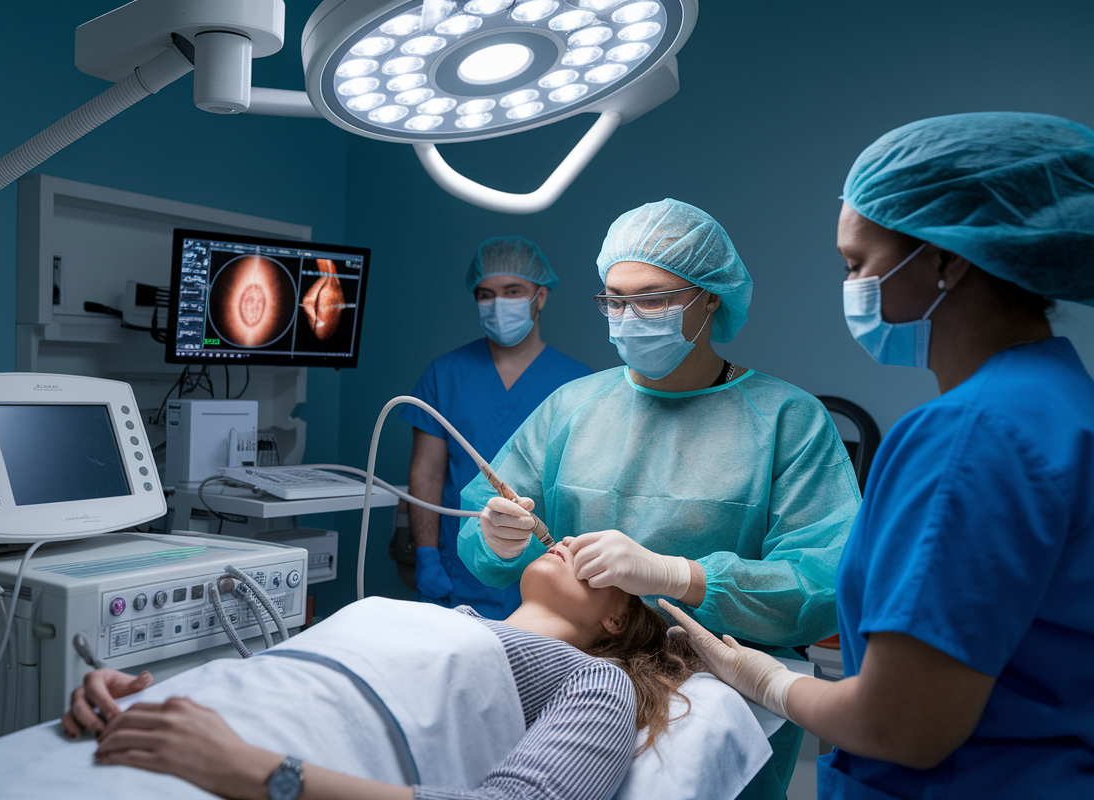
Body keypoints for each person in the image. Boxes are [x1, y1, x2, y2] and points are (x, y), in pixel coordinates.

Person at [663, 111, 1094, 799]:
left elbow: (903, 728)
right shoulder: (1065, 403)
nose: (851, 287)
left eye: (856, 264)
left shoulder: (968, 436)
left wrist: (765, 679)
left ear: (946, 259)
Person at [457, 198, 862, 799]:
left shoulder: (787, 420)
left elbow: (826, 584)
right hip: (564, 670)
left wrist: (680, 576)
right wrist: (495, 536)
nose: (627, 316)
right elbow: (483, 532)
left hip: (718, 686)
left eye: (652, 299)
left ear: (710, 298)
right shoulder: (574, 407)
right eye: (614, 300)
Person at [62, 542, 704, 800]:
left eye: (602, 557)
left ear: (619, 619)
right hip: (137, 730)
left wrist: (258, 771)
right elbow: (288, 678)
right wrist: (145, 694)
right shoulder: (432, 617)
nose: (572, 540)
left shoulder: (595, 682)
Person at [403, 236, 590, 618]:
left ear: (540, 296)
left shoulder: (579, 386)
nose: (498, 304)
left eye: (513, 291)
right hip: (460, 564)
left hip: (545, 569)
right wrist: (425, 555)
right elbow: (427, 472)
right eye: (486, 294)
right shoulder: (445, 374)